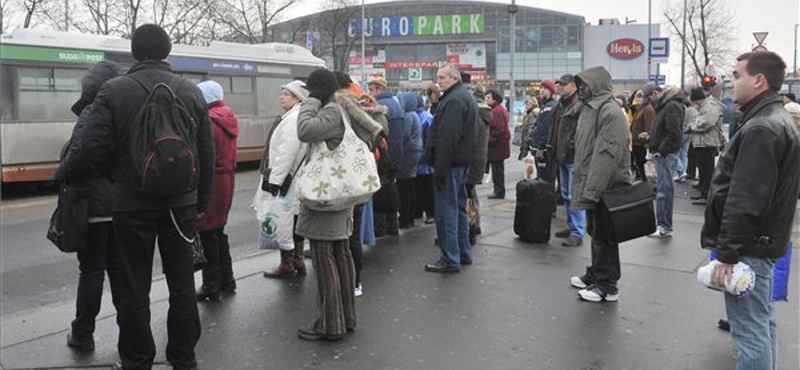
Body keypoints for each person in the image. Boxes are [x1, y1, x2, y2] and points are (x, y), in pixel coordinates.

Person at [80, 24, 214, 370]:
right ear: (167, 52)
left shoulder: (113, 90)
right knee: (182, 282)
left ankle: (138, 359)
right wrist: (200, 201)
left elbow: (91, 144)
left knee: (133, 284)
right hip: (181, 203)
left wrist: (118, 177)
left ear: (135, 53)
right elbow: (205, 151)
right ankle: (183, 357)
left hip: (130, 203)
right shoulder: (191, 92)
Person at [702, 51, 800, 370]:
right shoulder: (774, 119)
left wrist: (728, 253)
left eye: (736, 75)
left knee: (750, 332)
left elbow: (745, 198)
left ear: (758, 80)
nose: (731, 84)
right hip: (762, 242)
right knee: (762, 323)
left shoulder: (762, 127)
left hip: (750, 247)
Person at [296, 69, 383, 340]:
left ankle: (330, 323)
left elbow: (305, 130)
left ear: (318, 89)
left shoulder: (331, 111)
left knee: (325, 259)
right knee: (340, 256)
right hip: (338, 195)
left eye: (311, 89)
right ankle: (345, 317)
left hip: (327, 199)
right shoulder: (342, 109)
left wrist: (311, 101)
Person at [56, 61, 123, 353]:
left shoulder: (91, 112)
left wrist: (60, 172)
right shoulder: (125, 111)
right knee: (120, 272)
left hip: (93, 206)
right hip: (121, 205)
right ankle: (131, 333)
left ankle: (83, 334)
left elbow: (77, 160)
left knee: (92, 270)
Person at [568, 66, 632, 302]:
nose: (581, 88)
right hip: (594, 183)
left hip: (607, 185)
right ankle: (597, 274)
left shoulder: (610, 112)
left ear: (595, 84)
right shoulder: (590, 109)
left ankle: (607, 285)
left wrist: (592, 191)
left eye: (584, 84)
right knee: (596, 232)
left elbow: (606, 157)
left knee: (605, 235)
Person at [424, 64, 478, 273]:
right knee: (458, 209)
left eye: (443, 77)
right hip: (460, 164)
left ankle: (450, 258)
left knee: (447, 212)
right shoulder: (462, 96)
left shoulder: (454, 100)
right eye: (438, 77)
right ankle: (463, 253)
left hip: (451, 165)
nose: (439, 81)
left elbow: (448, 138)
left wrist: (440, 168)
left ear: (454, 78)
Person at [194, 81, 239, 301]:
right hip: (226, 179)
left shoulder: (209, 121)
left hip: (212, 181)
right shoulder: (227, 116)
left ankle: (211, 284)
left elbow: (203, 157)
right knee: (218, 231)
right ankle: (227, 280)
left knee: (207, 232)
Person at [261, 80, 310, 279]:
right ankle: (297, 260)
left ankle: (287, 263)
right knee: (294, 220)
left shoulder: (292, 119)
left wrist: (275, 181)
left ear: (298, 98)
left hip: (287, 182)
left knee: (284, 221)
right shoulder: (298, 116)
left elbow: (286, 153)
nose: (281, 97)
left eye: (286, 94)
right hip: (296, 179)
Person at [549, 74, 585, 247]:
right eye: (559, 84)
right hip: (562, 155)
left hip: (572, 156)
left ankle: (578, 232)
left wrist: (570, 147)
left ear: (573, 86)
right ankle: (572, 227)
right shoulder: (561, 105)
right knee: (566, 195)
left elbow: (580, 133)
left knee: (573, 195)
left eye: (563, 84)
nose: (559, 86)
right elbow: (554, 129)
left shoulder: (579, 106)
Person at [647, 85, 685, 238]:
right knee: (663, 190)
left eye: (650, 97)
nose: (650, 100)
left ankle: (664, 226)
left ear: (656, 93)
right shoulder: (670, 106)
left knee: (664, 191)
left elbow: (673, 134)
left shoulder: (671, 106)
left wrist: (660, 150)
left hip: (665, 154)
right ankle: (663, 225)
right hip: (665, 153)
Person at [368, 76, 401, 237]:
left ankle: (380, 229)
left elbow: (382, 132)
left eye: (371, 89)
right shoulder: (395, 103)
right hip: (394, 153)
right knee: (390, 190)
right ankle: (392, 227)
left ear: (379, 89)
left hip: (384, 154)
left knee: (380, 192)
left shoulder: (381, 106)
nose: (370, 93)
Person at [687, 87, 724, 206]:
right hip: (703, 142)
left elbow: (708, 123)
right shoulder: (706, 106)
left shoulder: (710, 106)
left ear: (697, 100)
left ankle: (707, 194)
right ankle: (703, 190)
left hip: (707, 142)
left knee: (707, 169)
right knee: (703, 168)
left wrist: (693, 126)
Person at [467, 87, 492, 243]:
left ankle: (471, 226)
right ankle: (475, 224)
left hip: (471, 160)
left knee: (468, 196)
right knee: (472, 194)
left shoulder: (475, 115)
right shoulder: (485, 113)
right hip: (479, 160)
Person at [397, 92, 423, 228]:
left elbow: (403, 135)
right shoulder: (414, 115)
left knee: (404, 186)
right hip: (415, 151)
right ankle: (411, 216)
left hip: (408, 152)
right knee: (410, 185)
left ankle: (405, 218)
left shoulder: (407, 116)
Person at [530, 79, 557, 183]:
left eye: (545, 88)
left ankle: (546, 198)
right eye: (541, 88)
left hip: (544, 150)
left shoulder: (549, 107)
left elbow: (545, 129)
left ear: (551, 91)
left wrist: (541, 147)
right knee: (543, 178)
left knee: (545, 180)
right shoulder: (545, 105)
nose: (542, 90)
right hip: (541, 149)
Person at [415, 95, 436, 224]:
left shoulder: (426, 118)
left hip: (424, 162)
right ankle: (423, 212)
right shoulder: (424, 117)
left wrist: (426, 157)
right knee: (420, 189)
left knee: (426, 189)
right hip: (421, 160)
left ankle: (430, 213)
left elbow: (430, 140)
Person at [485, 90, 510, 199]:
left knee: (497, 171)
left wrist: (488, 141)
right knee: (497, 170)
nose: (486, 99)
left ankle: (499, 191)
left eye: (489, 97)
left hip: (497, 147)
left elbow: (498, 130)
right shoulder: (497, 109)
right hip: (498, 146)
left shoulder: (497, 111)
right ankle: (498, 190)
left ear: (495, 99)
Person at [630, 89, 655, 181]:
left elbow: (649, 125)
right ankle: (642, 178)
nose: (638, 99)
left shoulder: (647, 109)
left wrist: (646, 138)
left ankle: (645, 180)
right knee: (639, 162)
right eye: (637, 97)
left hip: (641, 142)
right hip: (636, 141)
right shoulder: (640, 108)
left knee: (642, 162)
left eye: (640, 97)